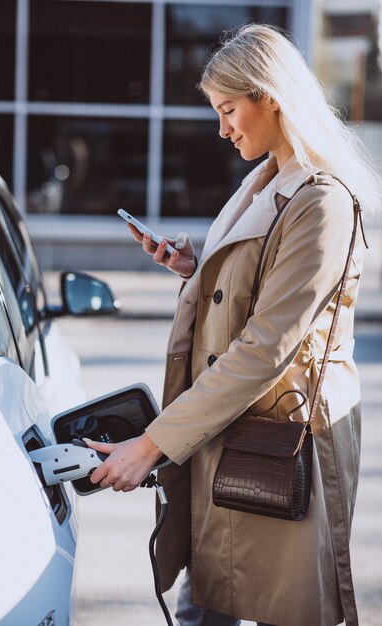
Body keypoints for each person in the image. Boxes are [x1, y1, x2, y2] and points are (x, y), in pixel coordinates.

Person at [84, 24, 381, 626]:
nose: (222, 130)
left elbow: (265, 347)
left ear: (271, 98)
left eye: (228, 110)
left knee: (278, 604)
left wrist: (151, 446)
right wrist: (197, 270)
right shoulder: (266, 181)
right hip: (232, 436)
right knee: (212, 597)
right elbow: (256, 300)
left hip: (279, 445)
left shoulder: (320, 202)